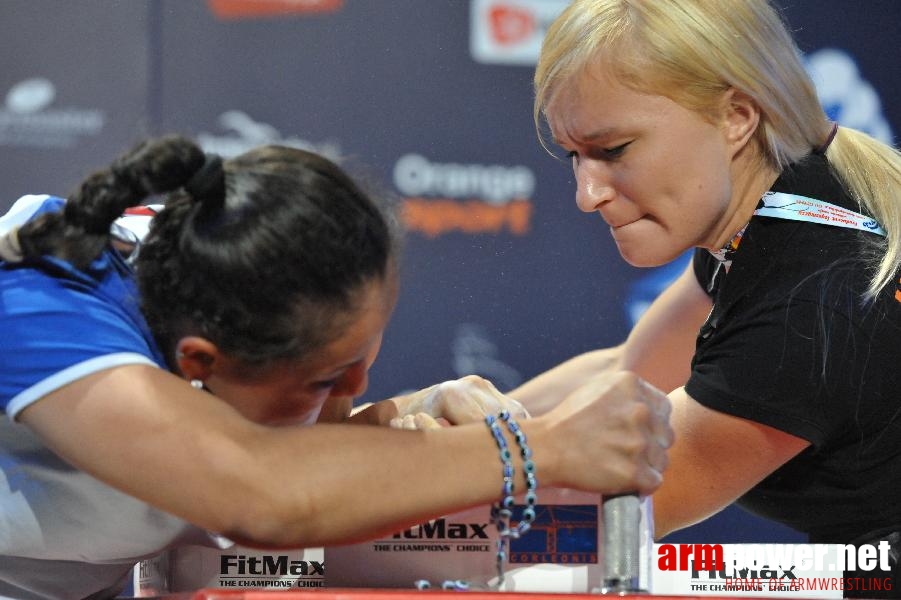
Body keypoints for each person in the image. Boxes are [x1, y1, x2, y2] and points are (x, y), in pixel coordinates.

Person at [0, 134, 672, 599]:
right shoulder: (41, 307)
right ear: (199, 362)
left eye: (360, 364)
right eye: (324, 381)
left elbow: (273, 451)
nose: (355, 395)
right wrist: (533, 449)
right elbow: (261, 495)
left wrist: (407, 419)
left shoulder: (235, 279)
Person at [518, 0, 901, 595]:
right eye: (575, 154)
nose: (586, 194)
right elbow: (631, 375)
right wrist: (440, 422)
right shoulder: (783, 205)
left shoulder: (807, 308)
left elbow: (586, 520)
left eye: (613, 149)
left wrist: (365, 483)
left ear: (737, 117)